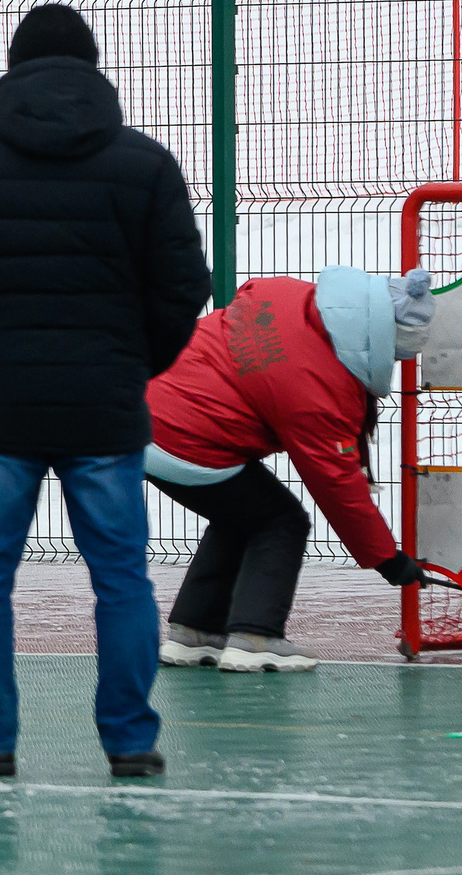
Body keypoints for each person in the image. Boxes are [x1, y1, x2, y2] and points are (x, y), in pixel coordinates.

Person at [0, 3, 210, 779]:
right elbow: (183, 286)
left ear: (14, 69)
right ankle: (129, 742)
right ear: (93, 68)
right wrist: (132, 364)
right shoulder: (145, 165)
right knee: (121, 579)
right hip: (105, 407)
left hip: (1, 407)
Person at [147, 267, 433, 672]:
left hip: (141, 411)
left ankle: (195, 631)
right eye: (398, 354)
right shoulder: (318, 385)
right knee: (281, 521)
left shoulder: (285, 294)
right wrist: (387, 559)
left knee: (241, 515)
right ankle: (256, 637)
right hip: (185, 437)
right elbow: (336, 484)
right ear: (381, 339)